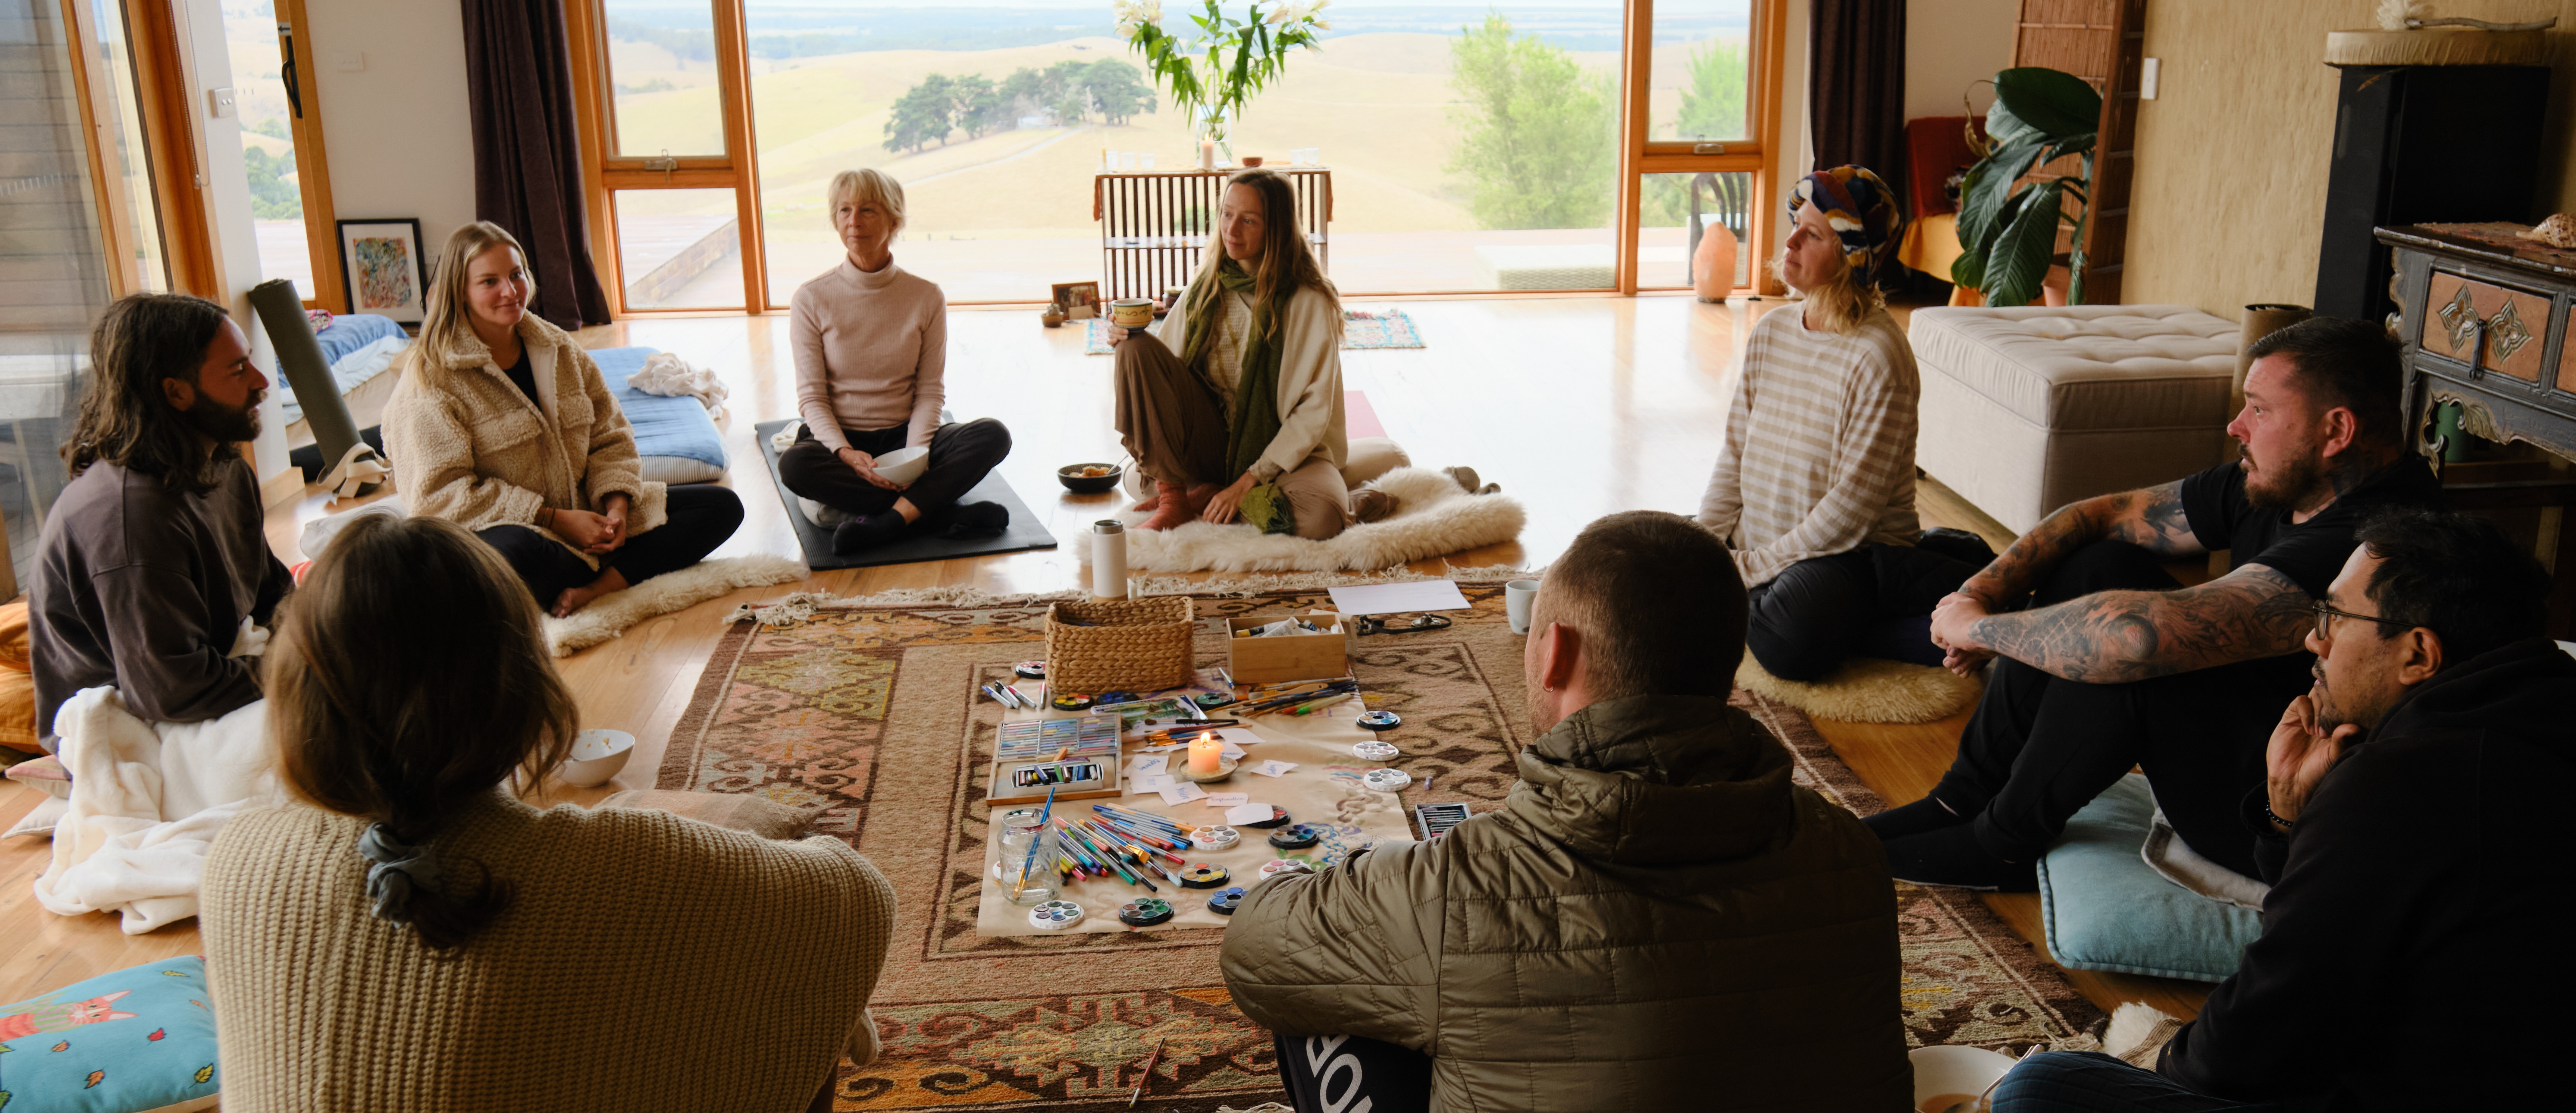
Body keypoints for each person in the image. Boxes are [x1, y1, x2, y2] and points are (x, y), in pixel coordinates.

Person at [1221, 510, 1914, 1113]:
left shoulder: (1455, 889)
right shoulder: (1849, 851)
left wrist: (1383, 882)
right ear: (1729, 663)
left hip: (1426, 917)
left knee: (1329, 976)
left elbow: (1253, 950)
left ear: (1554, 652)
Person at [202, 513, 897, 1112]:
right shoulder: (623, 860)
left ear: (296, 699)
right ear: (521, 687)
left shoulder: (238, 859)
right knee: (807, 998)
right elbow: (857, 901)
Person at [1991, 508, 2567, 1112]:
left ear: (2418, 654)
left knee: (2041, 1086)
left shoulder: (2404, 779)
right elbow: (2334, 933)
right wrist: (2289, 816)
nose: (2314, 639)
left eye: (2335, 616)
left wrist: (2150, 1060)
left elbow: (2258, 1037)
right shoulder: (2535, 715)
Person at [1868, 316, 2443, 889]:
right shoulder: (2291, 482)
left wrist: (1980, 631)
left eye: (2259, 410)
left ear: (2336, 430)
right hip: (2247, 737)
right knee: (2095, 564)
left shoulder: (2379, 540)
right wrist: (1977, 595)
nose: (2236, 425)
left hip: (2279, 813)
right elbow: (2096, 517)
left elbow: (2140, 639)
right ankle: (1961, 799)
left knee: (2136, 649)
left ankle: (2000, 845)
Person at [1696, 165, 1995, 681]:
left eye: (1813, 235)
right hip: (1769, 554)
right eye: (1796, 224)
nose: (1790, 241)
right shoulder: (1771, 332)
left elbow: (1847, 517)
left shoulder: (1879, 356)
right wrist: (1703, 549)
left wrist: (1742, 571)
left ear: (1853, 258)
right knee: (1653, 554)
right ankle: (1923, 614)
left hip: (1847, 558)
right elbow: (1734, 453)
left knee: (1792, 640)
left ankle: (1950, 621)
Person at [383, 221, 743, 617]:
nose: (511, 291)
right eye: (489, 282)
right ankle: (609, 569)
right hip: (523, 535)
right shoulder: (431, 379)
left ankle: (598, 588)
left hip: (591, 516)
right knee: (513, 554)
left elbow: (611, 435)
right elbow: (438, 498)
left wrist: (617, 508)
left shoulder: (558, 348)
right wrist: (554, 520)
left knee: (721, 506)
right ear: (460, 292)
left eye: (516, 274)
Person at [28, 292, 291, 747]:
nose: (261, 380)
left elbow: (273, 594)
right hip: (134, 724)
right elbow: (171, 690)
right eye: (237, 370)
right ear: (176, 392)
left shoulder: (225, 468)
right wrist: (300, 673)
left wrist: (326, 640)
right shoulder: (130, 519)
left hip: (208, 672)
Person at [1106, 167, 1397, 538]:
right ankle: (1180, 499)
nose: (1232, 229)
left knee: (1321, 517)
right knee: (1135, 353)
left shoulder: (1310, 301)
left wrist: (1248, 481)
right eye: (1227, 214)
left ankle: (1217, 496)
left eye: (1249, 220)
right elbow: (1163, 376)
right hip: (1211, 443)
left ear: (1276, 228)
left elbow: (1312, 413)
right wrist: (1126, 339)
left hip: (1283, 454)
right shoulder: (1207, 286)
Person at [775, 168, 1014, 555]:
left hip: (907, 435)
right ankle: (936, 514)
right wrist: (846, 454)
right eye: (844, 210)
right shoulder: (811, 298)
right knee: (795, 466)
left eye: (868, 210)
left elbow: (930, 392)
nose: (854, 222)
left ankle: (887, 523)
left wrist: (915, 457)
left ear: (894, 221)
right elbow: (813, 398)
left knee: (993, 435)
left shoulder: (926, 296)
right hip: (843, 441)